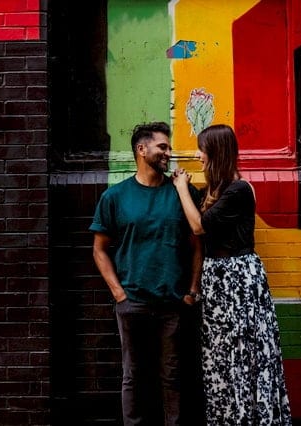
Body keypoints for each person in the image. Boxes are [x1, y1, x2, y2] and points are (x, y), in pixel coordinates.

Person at [172, 124, 293, 425]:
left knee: (243, 353)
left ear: (215, 152)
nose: (198, 155)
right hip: (218, 280)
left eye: (202, 149)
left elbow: (200, 226)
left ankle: (248, 417)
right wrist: (185, 186)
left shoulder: (238, 190)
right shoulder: (215, 191)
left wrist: (179, 188)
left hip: (237, 280)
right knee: (221, 355)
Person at [90, 121, 203, 425]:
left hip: (173, 303)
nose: (169, 152)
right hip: (133, 302)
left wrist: (192, 290)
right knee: (133, 375)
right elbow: (99, 249)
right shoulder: (115, 197)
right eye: (162, 147)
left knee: (173, 375)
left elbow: (196, 244)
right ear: (142, 150)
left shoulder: (180, 192)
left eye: (168, 147)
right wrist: (119, 293)